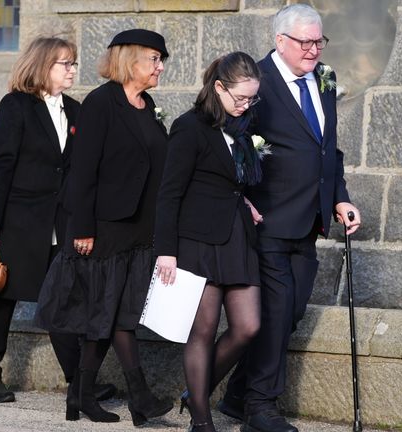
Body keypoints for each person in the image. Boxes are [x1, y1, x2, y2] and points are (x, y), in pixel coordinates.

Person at [217, 5, 362, 432]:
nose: (315, 49)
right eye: (306, 42)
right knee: (276, 312)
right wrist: (240, 199)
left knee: (292, 312)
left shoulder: (324, 79)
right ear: (281, 41)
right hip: (269, 221)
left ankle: (236, 394)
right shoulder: (255, 82)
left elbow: (327, 149)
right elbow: (233, 144)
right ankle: (260, 410)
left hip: (310, 220)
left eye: (320, 41)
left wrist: (340, 198)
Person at [35, 29, 173, 426]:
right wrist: (82, 227)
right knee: (113, 316)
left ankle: (80, 395)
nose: (160, 66)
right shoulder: (101, 103)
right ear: (131, 60)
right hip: (103, 228)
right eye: (154, 59)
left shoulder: (147, 105)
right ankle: (139, 396)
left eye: (161, 60)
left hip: (139, 229)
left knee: (112, 316)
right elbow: (82, 171)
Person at [0, 36, 115, 413]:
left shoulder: (76, 108)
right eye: (64, 64)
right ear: (43, 66)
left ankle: (78, 381)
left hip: (62, 221)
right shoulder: (16, 105)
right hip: (21, 220)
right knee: (3, 295)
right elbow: (1, 164)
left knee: (61, 297)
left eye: (73, 63)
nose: (72, 70)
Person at [154, 52, 264, 432]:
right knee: (201, 330)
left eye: (252, 99)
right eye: (240, 98)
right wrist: (165, 251)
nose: (246, 106)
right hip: (198, 241)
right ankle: (202, 421)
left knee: (248, 326)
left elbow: (230, 181)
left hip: (236, 236)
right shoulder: (189, 127)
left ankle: (194, 393)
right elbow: (169, 193)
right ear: (218, 88)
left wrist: (244, 200)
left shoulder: (242, 127)